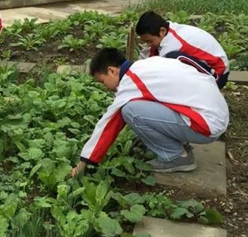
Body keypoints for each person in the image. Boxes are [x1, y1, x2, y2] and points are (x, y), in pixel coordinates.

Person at [70, 48, 229, 177]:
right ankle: (178, 147)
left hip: (206, 127)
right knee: (139, 105)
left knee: (130, 111)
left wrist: (83, 164)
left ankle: (175, 157)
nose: (105, 87)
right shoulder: (146, 65)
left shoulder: (131, 81)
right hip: (216, 114)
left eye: (102, 81)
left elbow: (108, 124)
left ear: (111, 71)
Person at [136, 11, 229, 88]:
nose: (148, 44)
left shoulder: (171, 45)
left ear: (162, 31)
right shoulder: (168, 30)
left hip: (218, 75)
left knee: (172, 59)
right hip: (208, 65)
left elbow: (162, 74)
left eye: (150, 41)